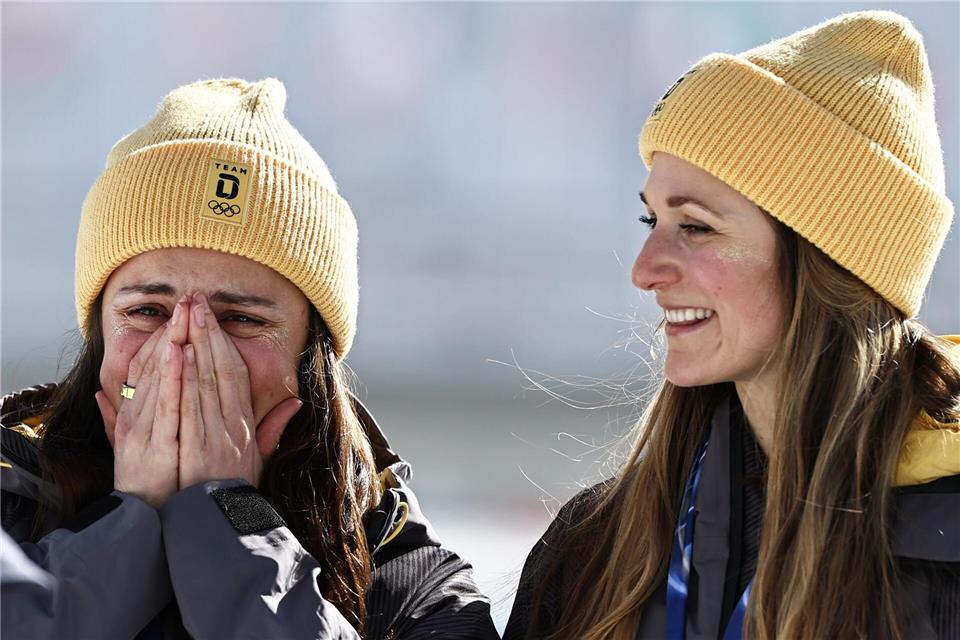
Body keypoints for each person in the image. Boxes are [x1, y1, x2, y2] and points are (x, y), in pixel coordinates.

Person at [505, 11, 959, 640]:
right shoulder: (597, 550)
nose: (645, 271)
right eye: (651, 222)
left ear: (826, 262)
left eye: (694, 227)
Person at [1, 78, 499, 640]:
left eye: (241, 320)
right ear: (97, 330)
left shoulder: (414, 582)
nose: (183, 353)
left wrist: (232, 528)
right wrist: (131, 522)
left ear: (311, 361)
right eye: (147, 311)